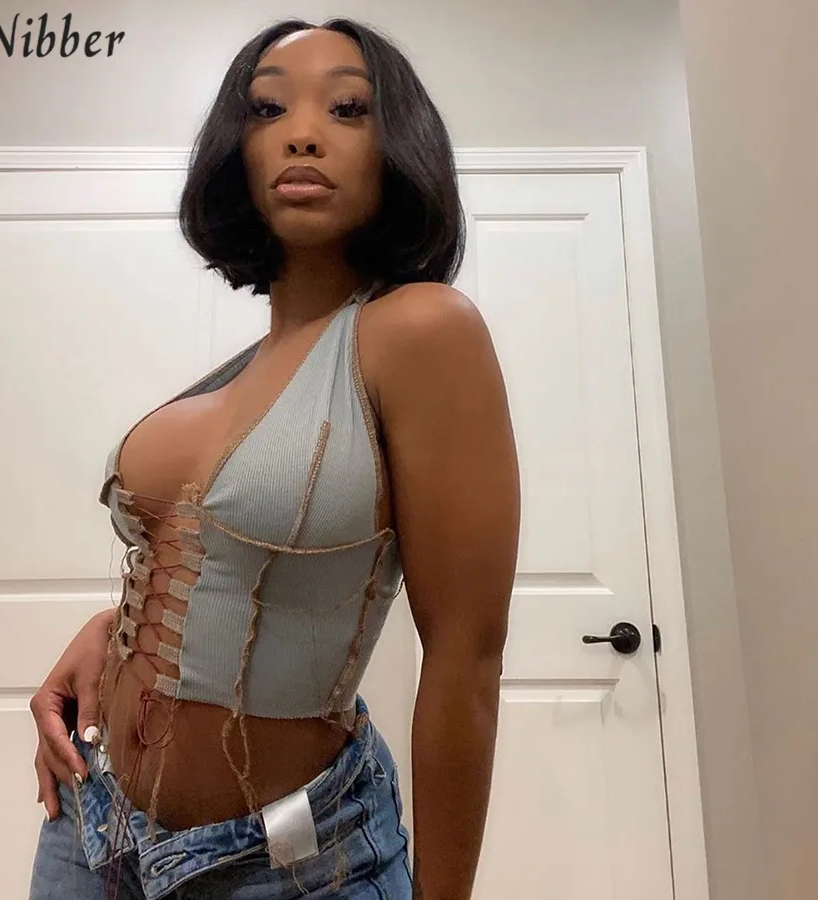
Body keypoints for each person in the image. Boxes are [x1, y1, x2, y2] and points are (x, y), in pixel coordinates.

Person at [27, 16, 519, 900]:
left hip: (292, 863)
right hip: (90, 827)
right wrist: (106, 632)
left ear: (397, 145)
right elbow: (205, 558)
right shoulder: (241, 372)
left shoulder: (420, 331)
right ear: (238, 149)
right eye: (267, 109)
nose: (302, 133)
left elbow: (467, 658)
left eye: (348, 108)